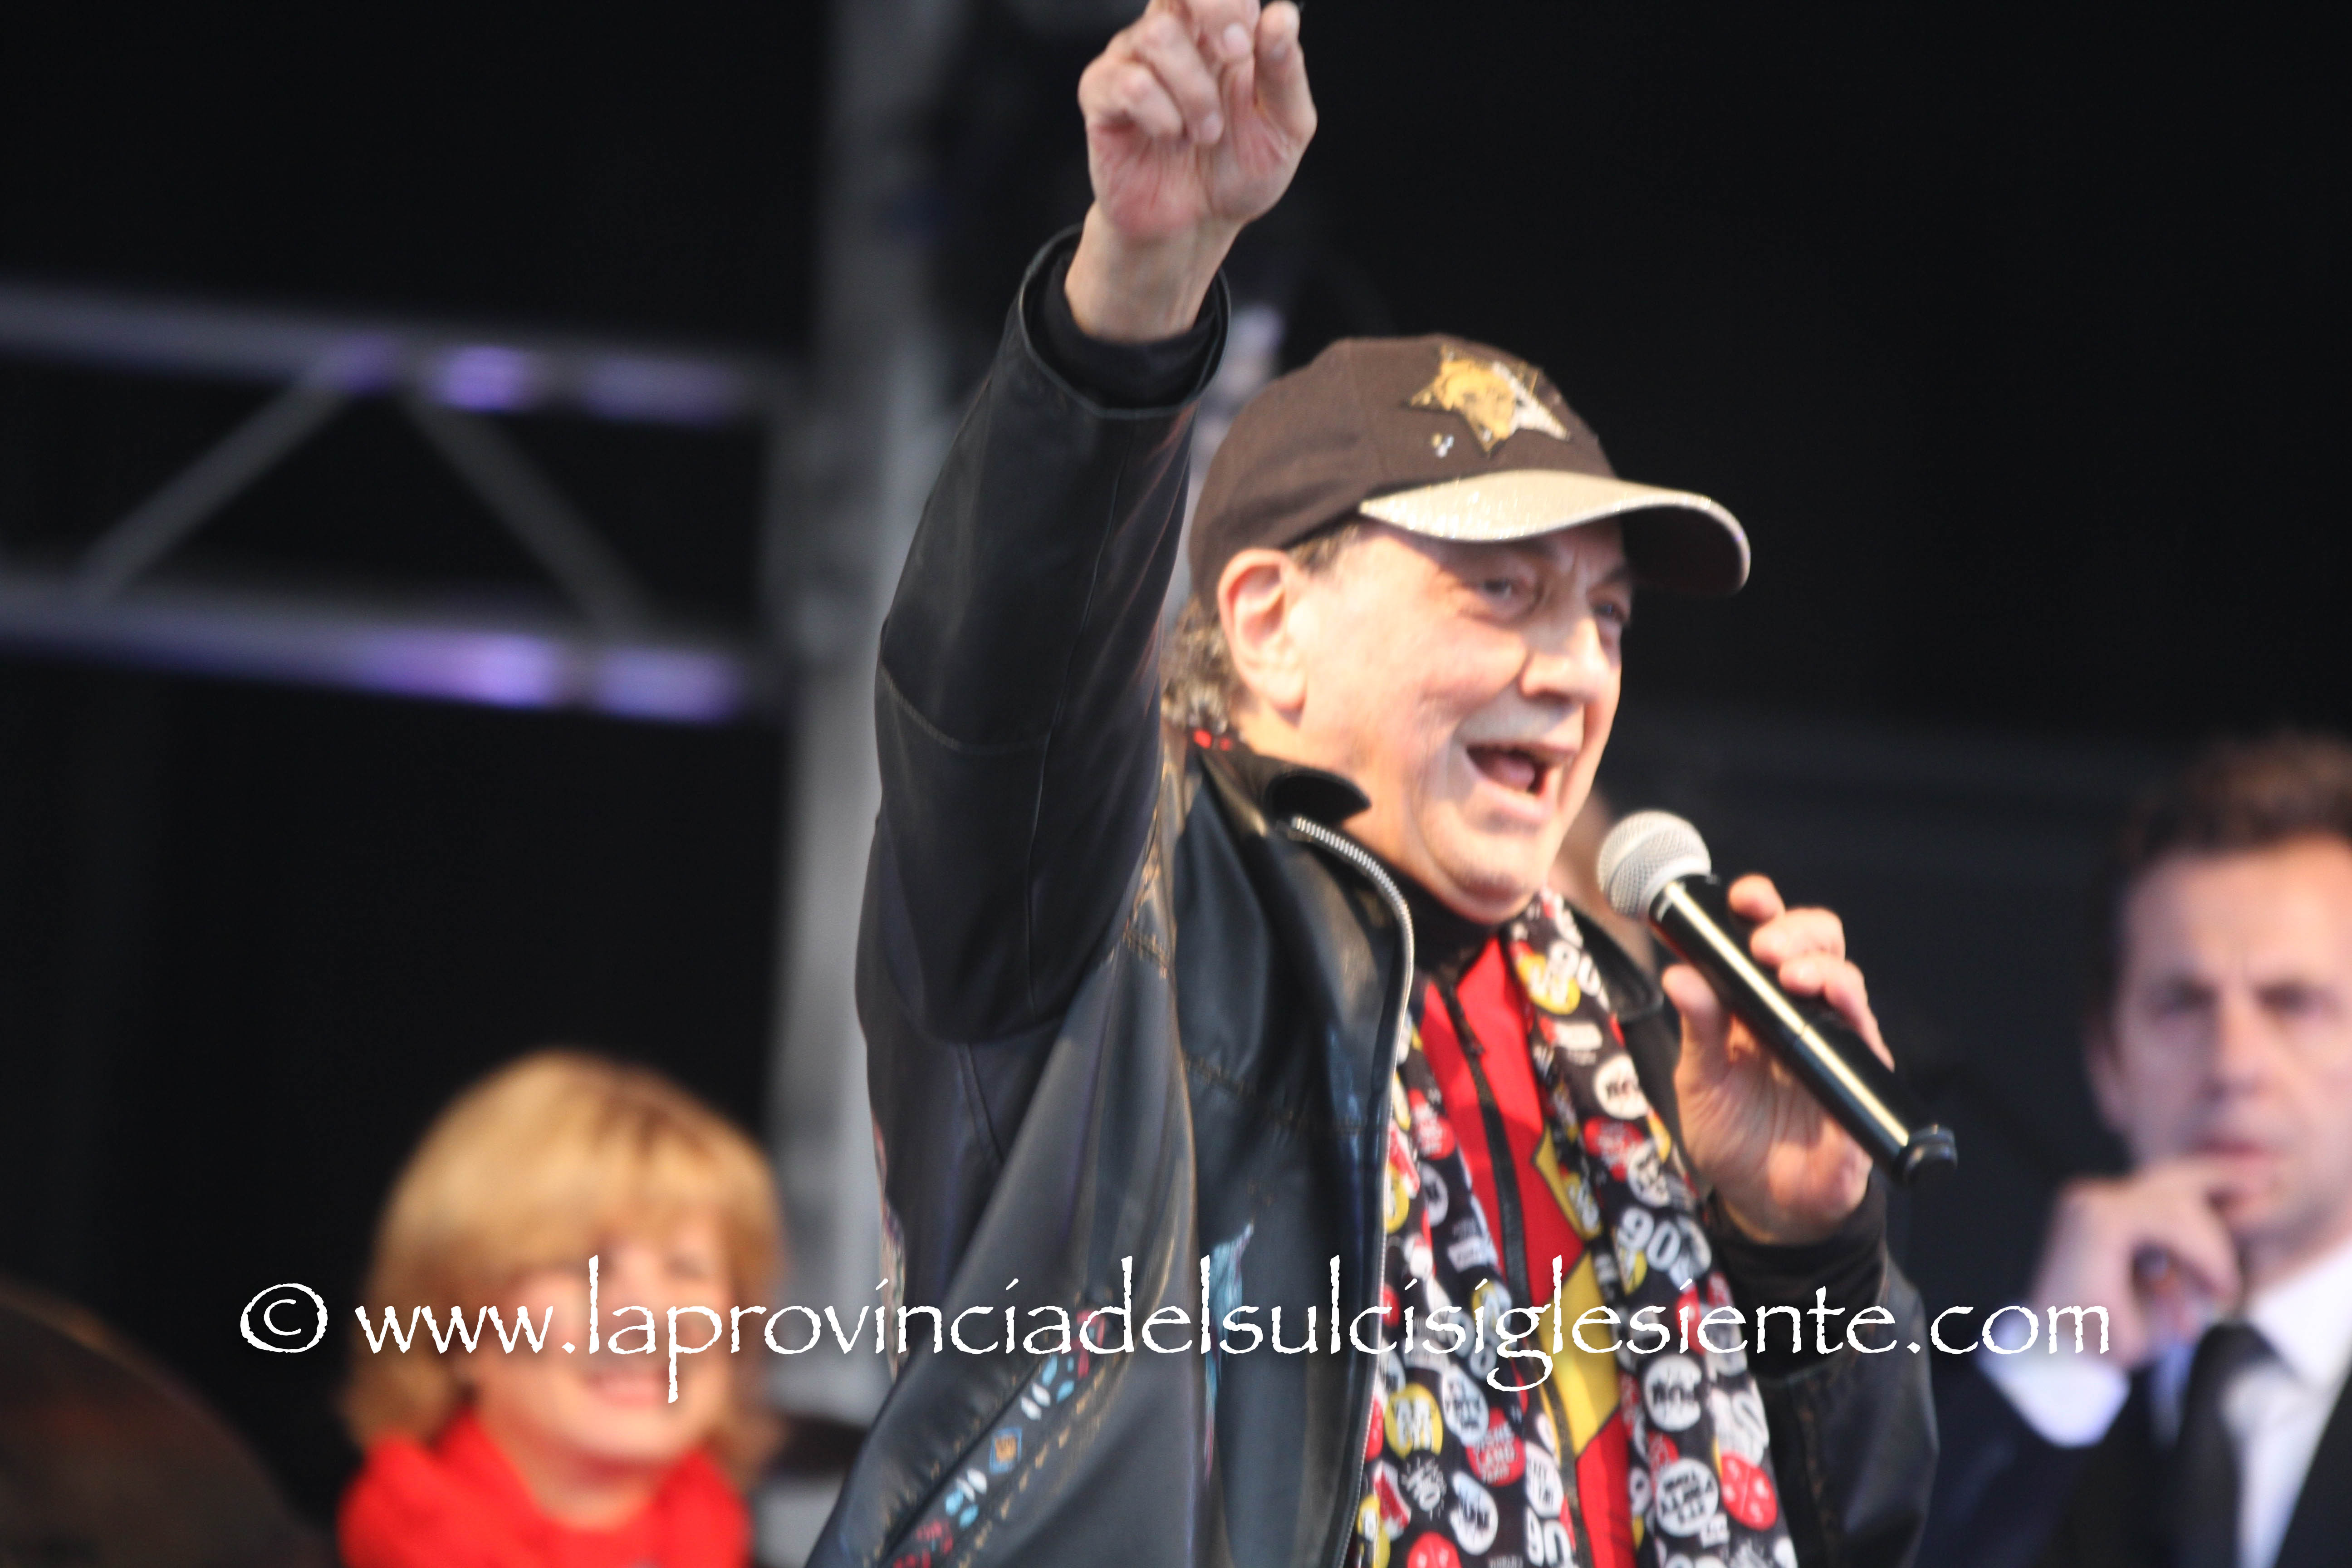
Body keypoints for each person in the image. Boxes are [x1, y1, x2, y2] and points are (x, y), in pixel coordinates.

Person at [817, 2, 1937, 1564]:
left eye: (1606, 615)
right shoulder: (1116, 923)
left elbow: (1856, 1531)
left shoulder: (1638, 1044)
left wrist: (1805, 1251)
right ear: (1270, 623)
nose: (1575, 665)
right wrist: (1133, 295)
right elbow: (1003, 682)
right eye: (1502, 592)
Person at [1922, 734, 2352, 1568]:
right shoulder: (1986, 1403)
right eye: (2180, 1004)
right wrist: (2056, 1365)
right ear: (2106, 1061)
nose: (2233, 1065)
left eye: (2293, 1003)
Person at [338, 1049, 782, 1568]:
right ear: (458, 1326)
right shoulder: (399, 1541)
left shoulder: (724, 1533)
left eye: (686, 1268)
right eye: (583, 1267)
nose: (647, 1315)